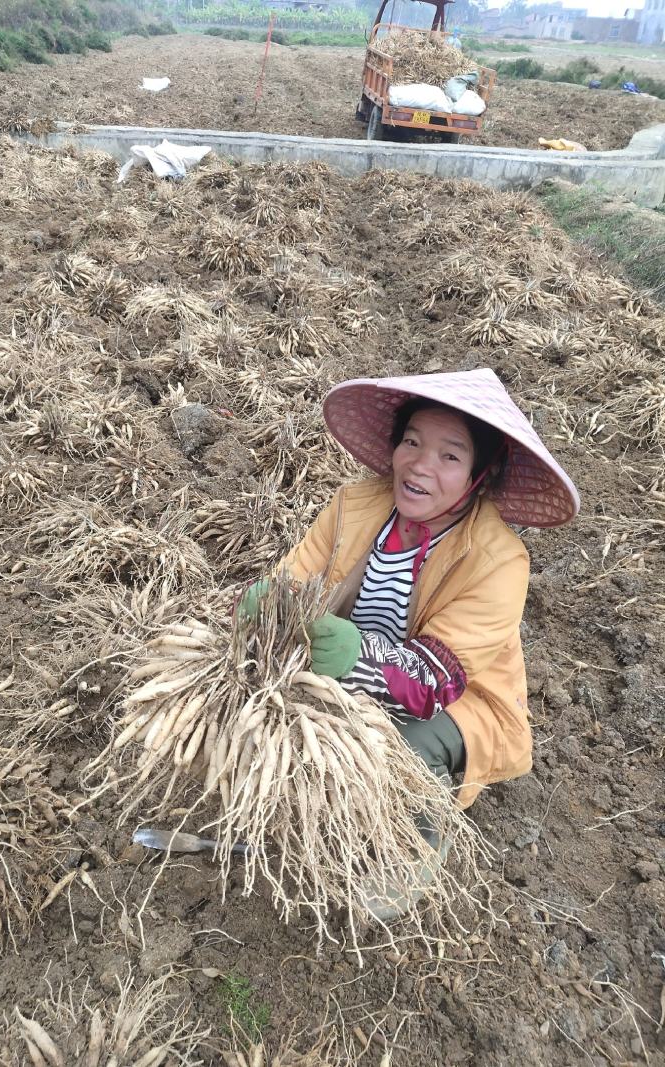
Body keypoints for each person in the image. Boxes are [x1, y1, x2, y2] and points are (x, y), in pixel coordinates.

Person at [240, 369, 579, 918]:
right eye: (412, 441)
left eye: (450, 456)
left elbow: (435, 678)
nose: (420, 465)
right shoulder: (356, 505)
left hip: (457, 700)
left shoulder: (498, 561)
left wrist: (355, 656)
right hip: (348, 667)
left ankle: (412, 850)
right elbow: (297, 577)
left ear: (479, 474)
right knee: (265, 694)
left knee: (404, 746)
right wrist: (271, 603)